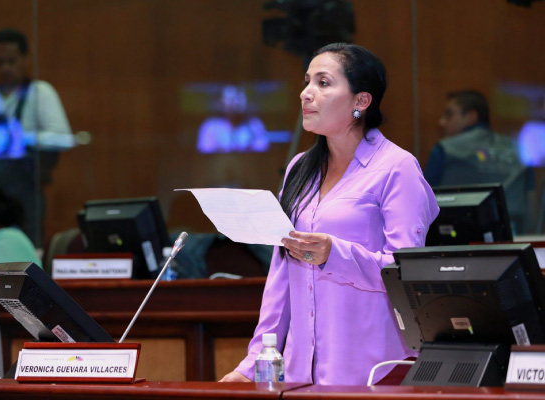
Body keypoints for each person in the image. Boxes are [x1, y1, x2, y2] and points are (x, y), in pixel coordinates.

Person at [220, 43, 439, 385]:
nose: (306, 93)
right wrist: (250, 365)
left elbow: (407, 273)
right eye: (307, 81)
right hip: (299, 370)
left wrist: (335, 253)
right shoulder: (300, 169)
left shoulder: (397, 168)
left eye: (323, 83)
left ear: (360, 102)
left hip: (372, 368)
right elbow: (281, 276)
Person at [0, 28, 74, 246]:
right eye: (0, 62)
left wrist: (19, 138)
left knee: (24, 257)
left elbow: (64, 139)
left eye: (12, 61)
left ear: (26, 59)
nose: (6, 68)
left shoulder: (40, 92)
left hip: (23, 196)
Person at [424, 90, 535, 234]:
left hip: (455, 241)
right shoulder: (519, 150)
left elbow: (424, 202)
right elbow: (532, 204)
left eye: (449, 114)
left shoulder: (445, 150)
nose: (442, 122)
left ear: (471, 116)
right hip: (515, 240)